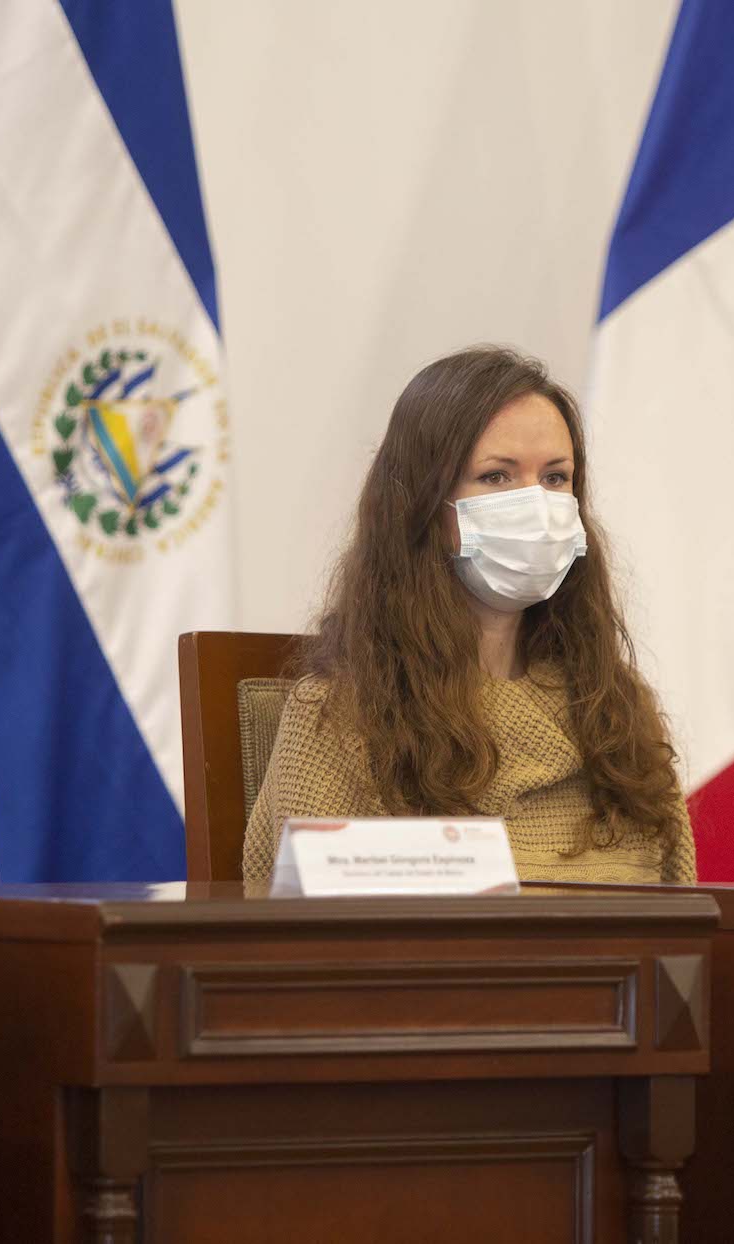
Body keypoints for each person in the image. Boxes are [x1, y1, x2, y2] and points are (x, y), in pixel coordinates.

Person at [241, 346, 696, 885]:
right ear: (423, 504)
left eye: (555, 478)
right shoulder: (340, 716)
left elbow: (681, 915)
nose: (536, 506)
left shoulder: (616, 706)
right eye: (496, 477)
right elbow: (311, 940)